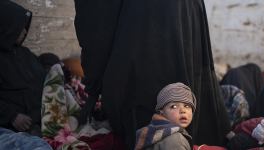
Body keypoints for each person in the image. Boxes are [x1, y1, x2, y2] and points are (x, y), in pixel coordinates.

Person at [74, 0, 230, 149]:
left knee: (143, 117)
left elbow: (96, 27)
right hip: (181, 19)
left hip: (145, 35)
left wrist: (93, 86)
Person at [0, 1, 46, 136]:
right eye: (20, 27)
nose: (25, 31)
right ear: (7, 27)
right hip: (15, 128)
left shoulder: (24, 53)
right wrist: (12, 116)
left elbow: (42, 76)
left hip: (43, 120)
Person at [135, 83, 195, 150]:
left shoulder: (152, 133)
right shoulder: (175, 139)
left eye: (187, 106)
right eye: (174, 106)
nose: (183, 110)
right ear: (161, 112)